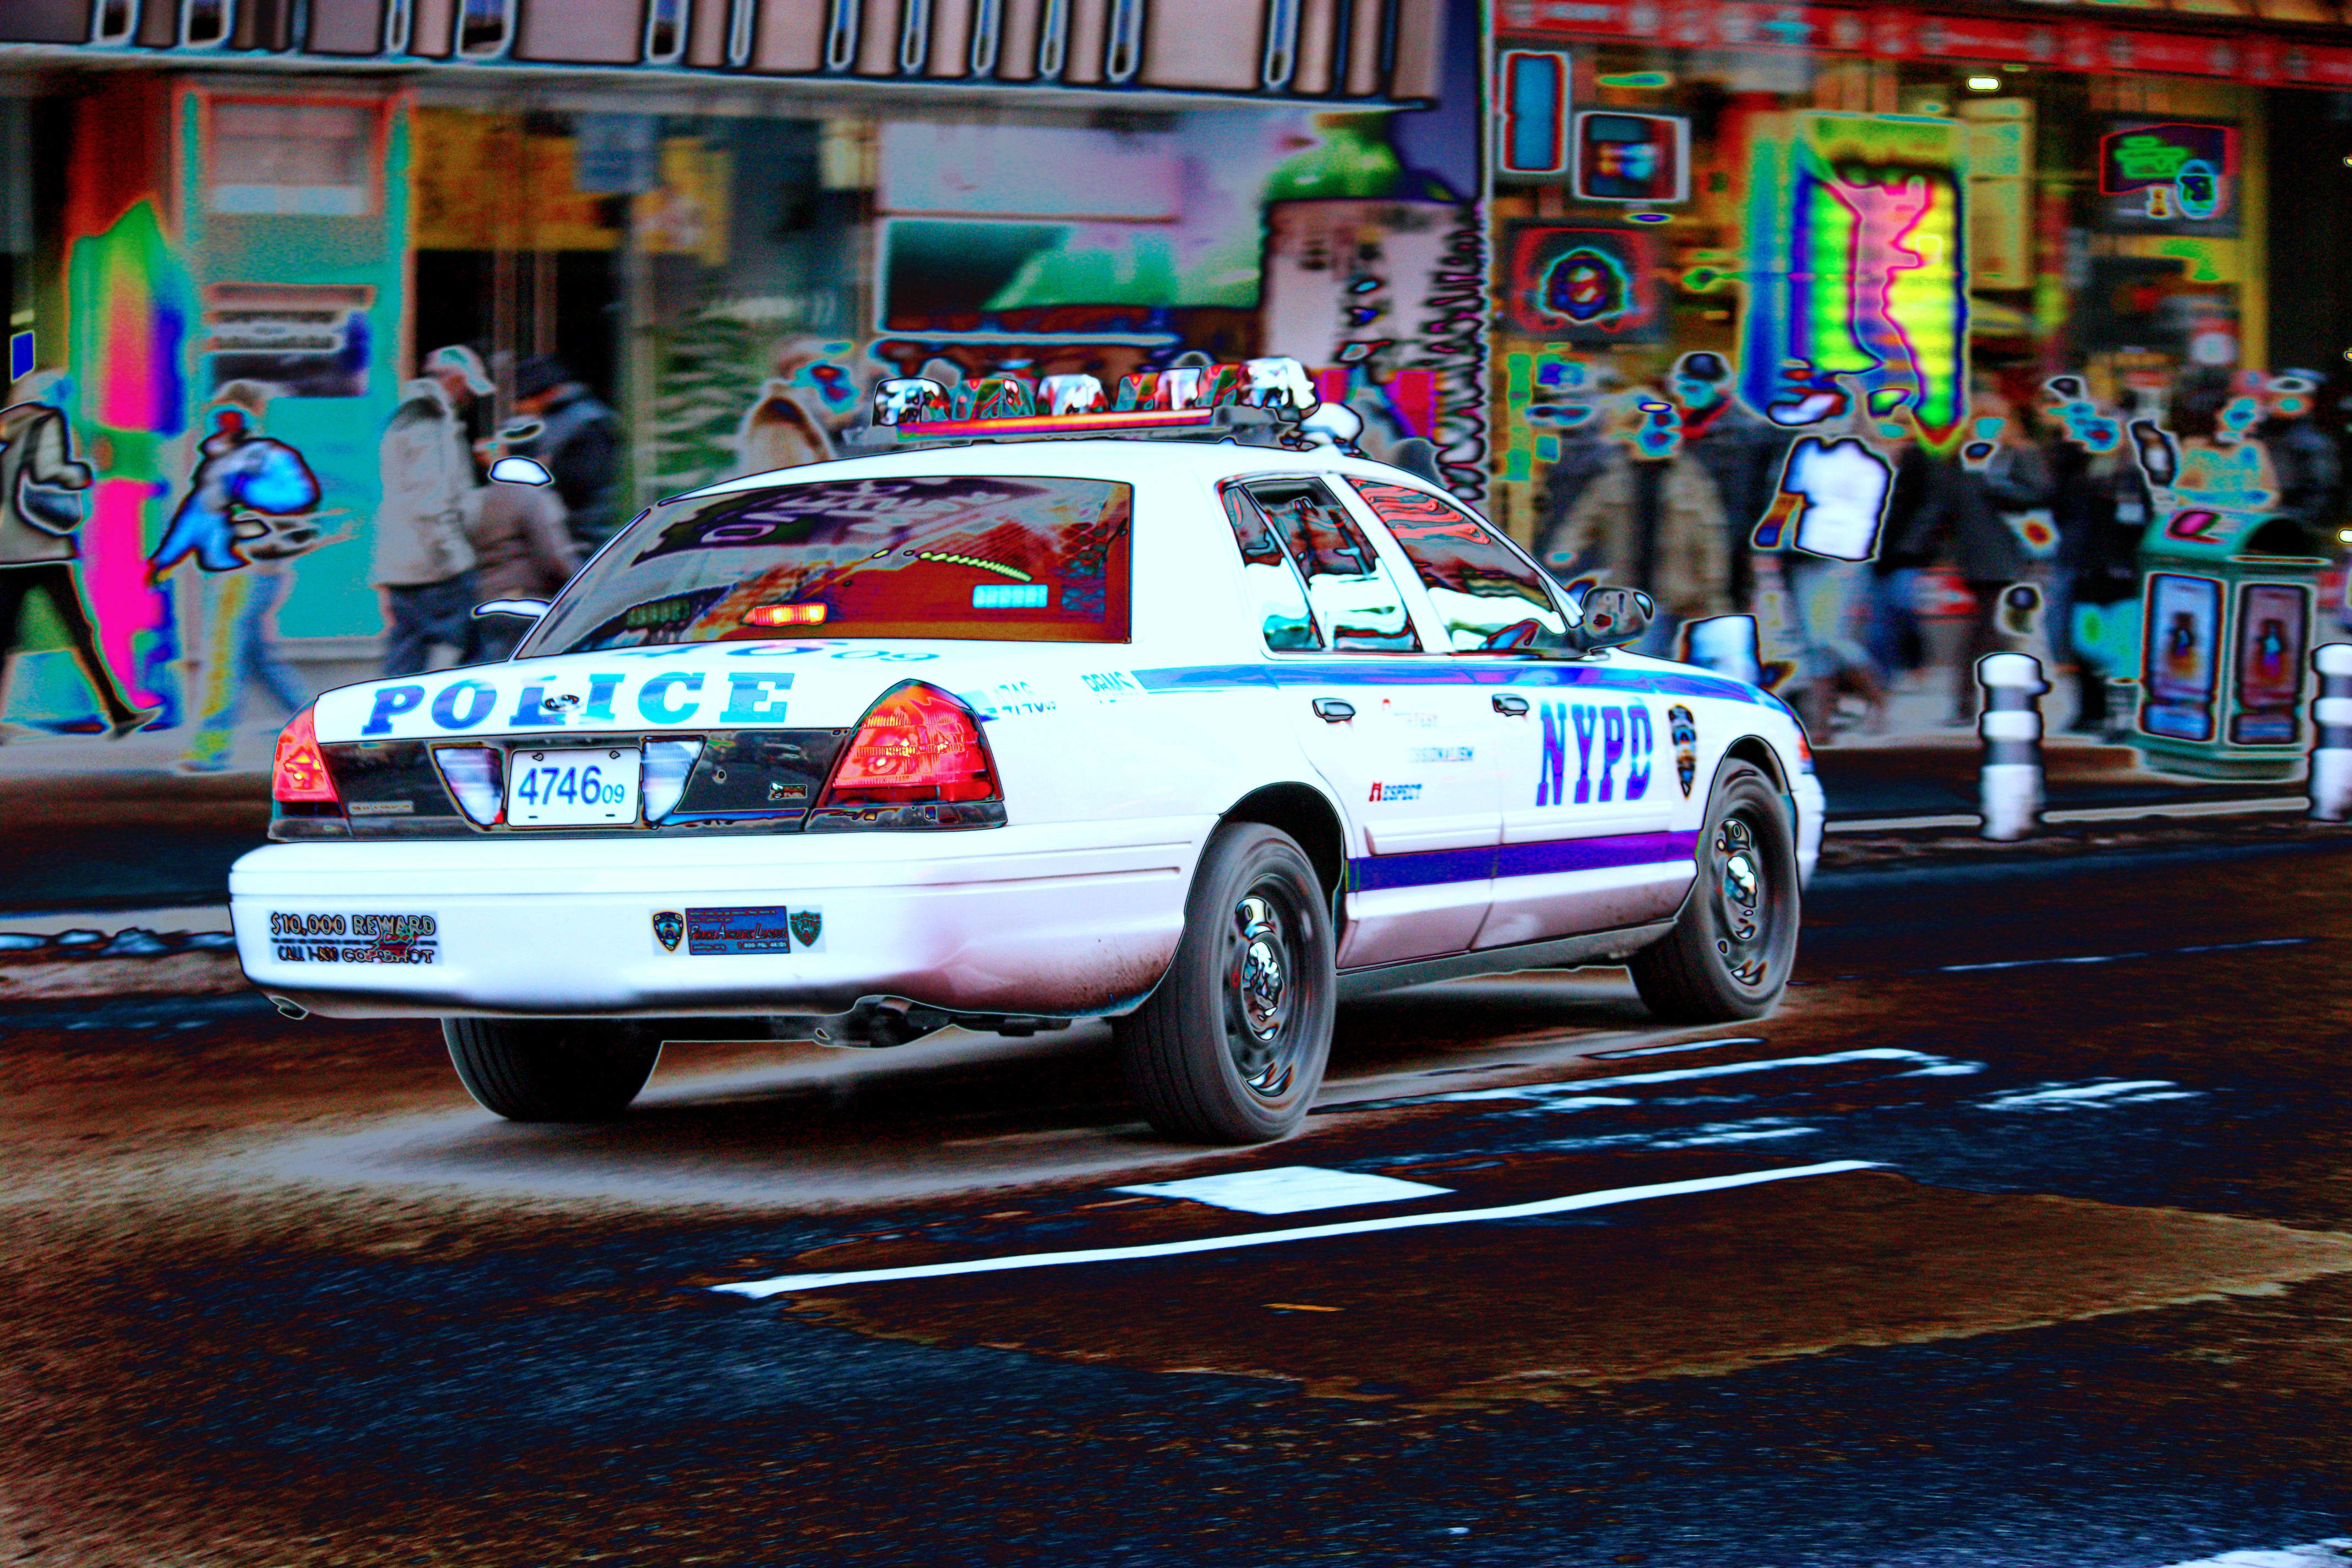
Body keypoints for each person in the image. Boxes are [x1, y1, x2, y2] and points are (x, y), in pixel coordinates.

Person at [0, 394, 155, 739]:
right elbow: (48, 471)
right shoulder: (49, 420)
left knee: (6, 637)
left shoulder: (8, 428)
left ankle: (119, 711)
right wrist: (84, 471)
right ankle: (118, 712)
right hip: (43, 548)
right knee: (79, 632)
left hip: (8, 548)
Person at [1540, 389, 1732, 656]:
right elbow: (1585, 515)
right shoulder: (1614, 475)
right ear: (1633, 434)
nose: (1673, 439)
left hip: (1676, 594)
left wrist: (1714, 597)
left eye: (1675, 431)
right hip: (1630, 591)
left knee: (1656, 654)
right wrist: (1567, 546)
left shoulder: (1692, 479)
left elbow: (1712, 537)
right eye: (1662, 431)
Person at [373, 376, 480, 677]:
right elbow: (432, 503)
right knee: (478, 653)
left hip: (401, 567)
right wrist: (455, 560)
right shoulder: (432, 427)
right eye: (468, 389)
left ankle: (385, 720)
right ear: (455, 384)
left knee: (405, 656)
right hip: (434, 567)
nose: (469, 398)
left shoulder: (398, 425)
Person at [1668, 351, 1788, 612]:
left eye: (1697, 385)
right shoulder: (1671, 429)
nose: (1688, 393)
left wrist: (1749, 546)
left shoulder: (1752, 433)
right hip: (1677, 547)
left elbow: (1756, 496)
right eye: (1684, 385)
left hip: (1726, 548)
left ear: (1717, 387)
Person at [465, 418, 580, 663]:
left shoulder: (483, 498)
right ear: (543, 457)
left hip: (488, 607)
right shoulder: (537, 498)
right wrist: (581, 584)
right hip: (528, 608)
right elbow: (553, 559)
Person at [513, 355, 623, 551]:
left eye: (523, 400)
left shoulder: (588, 423)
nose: (519, 408)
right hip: (581, 529)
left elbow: (581, 481)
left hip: (592, 533)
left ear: (547, 393)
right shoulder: (562, 419)